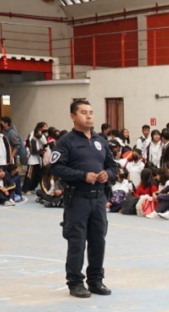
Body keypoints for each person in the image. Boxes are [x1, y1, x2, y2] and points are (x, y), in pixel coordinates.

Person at [50, 99, 119, 298]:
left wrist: (108, 174)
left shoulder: (100, 141)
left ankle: (96, 280)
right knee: (77, 242)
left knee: (98, 240)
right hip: (78, 200)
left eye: (90, 112)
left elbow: (113, 165)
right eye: (83, 112)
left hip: (98, 199)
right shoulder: (66, 142)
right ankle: (75, 282)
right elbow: (56, 167)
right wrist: (82, 176)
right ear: (73, 116)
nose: (89, 116)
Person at [24, 122, 48, 192]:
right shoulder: (32, 137)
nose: (45, 128)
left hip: (38, 159)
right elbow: (33, 150)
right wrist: (41, 151)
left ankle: (34, 186)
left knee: (39, 174)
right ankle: (25, 188)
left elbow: (45, 144)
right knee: (30, 174)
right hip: (32, 159)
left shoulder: (42, 136)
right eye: (44, 127)